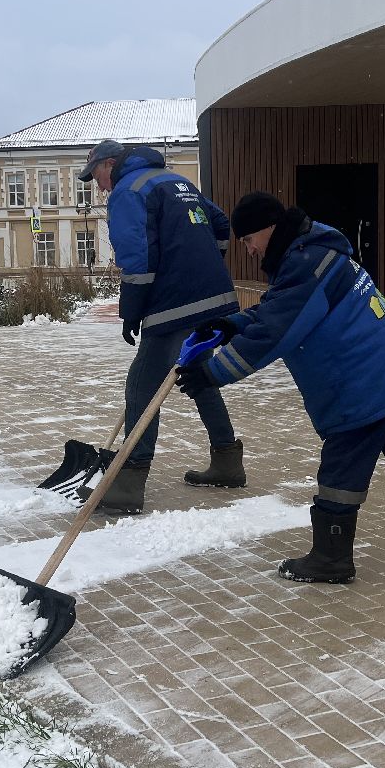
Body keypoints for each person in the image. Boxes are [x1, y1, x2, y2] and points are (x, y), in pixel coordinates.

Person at [176, 191, 385, 583]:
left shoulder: (304, 263)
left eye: (248, 240)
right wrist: (233, 325)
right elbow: (280, 308)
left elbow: (277, 330)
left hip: (361, 383)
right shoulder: (310, 251)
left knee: (341, 472)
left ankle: (331, 558)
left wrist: (212, 373)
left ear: (269, 229)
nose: (249, 250)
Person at [80, 139, 244, 513]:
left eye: (97, 177)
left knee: (142, 384)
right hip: (214, 297)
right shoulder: (174, 181)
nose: (99, 187)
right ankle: (227, 460)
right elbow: (220, 222)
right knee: (197, 373)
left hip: (174, 303)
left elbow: (135, 257)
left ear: (110, 164)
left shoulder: (127, 191)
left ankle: (128, 482)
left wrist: (131, 311)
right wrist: (206, 261)